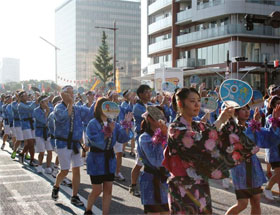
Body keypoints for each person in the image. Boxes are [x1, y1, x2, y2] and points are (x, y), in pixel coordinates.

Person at [162, 87, 259, 214]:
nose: (197, 104)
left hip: (200, 183)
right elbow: (202, 142)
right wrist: (220, 121)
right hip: (182, 185)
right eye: (192, 101)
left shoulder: (197, 125)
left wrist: (225, 118)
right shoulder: (176, 128)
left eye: (198, 100)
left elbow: (215, 133)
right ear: (180, 103)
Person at [225, 105, 280, 215]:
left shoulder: (252, 126)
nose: (246, 112)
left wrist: (275, 121)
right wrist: (254, 123)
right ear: (235, 112)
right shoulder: (230, 127)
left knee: (256, 202)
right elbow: (240, 143)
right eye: (243, 110)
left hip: (253, 167)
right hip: (240, 168)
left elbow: (269, 138)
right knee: (242, 204)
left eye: (247, 109)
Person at [84, 97, 132, 215]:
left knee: (108, 189)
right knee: (97, 190)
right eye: (105, 106)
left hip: (109, 159)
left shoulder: (112, 122)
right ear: (99, 108)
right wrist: (108, 131)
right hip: (96, 160)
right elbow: (95, 141)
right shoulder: (93, 123)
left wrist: (126, 124)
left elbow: (123, 138)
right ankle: (88, 210)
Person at [51, 85, 90, 207]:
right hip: (63, 144)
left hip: (75, 144)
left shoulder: (77, 108)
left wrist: (93, 102)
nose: (71, 95)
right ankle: (56, 186)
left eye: (72, 93)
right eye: (69, 93)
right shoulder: (58, 107)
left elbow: (90, 114)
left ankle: (74, 195)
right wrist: (70, 104)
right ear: (63, 95)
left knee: (77, 169)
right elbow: (62, 118)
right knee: (64, 170)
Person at [138, 106, 169, 214]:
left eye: (163, 116)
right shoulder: (145, 137)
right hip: (151, 181)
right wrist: (162, 136)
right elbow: (156, 160)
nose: (162, 119)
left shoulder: (167, 134)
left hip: (165, 181)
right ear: (150, 119)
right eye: (158, 116)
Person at [130, 84, 152, 197]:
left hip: (151, 138)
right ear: (140, 94)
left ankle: (148, 187)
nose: (149, 94)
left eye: (150, 91)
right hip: (141, 138)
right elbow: (149, 116)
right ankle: (133, 186)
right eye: (146, 92)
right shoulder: (137, 107)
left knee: (150, 164)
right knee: (139, 163)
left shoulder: (150, 104)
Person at [263, 95, 280, 200]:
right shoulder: (270, 117)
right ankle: (268, 188)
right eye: (277, 103)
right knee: (278, 174)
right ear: (273, 105)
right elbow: (270, 132)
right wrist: (275, 119)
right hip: (275, 150)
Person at [17, 91, 39, 166]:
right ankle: (25, 155)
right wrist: (35, 101)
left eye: (26, 95)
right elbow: (29, 108)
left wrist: (38, 98)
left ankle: (27, 157)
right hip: (25, 125)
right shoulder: (20, 105)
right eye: (24, 96)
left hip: (32, 124)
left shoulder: (29, 102)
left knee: (32, 144)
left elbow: (36, 106)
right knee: (31, 143)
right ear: (20, 97)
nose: (26, 97)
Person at [33, 95, 53, 174]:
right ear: (41, 102)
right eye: (45, 101)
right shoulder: (36, 110)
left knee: (50, 151)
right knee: (41, 152)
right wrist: (47, 112)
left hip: (48, 133)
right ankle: (40, 165)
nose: (47, 103)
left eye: (47, 101)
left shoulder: (51, 109)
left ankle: (48, 167)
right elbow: (43, 121)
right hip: (39, 133)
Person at [11, 92, 24, 159]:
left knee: (27, 140)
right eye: (20, 96)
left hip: (25, 124)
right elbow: (17, 109)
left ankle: (25, 153)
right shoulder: (13, 103)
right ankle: (14, 151)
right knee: (19, 139)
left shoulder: (25, 103)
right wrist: (19, 100)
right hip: (17, 124)